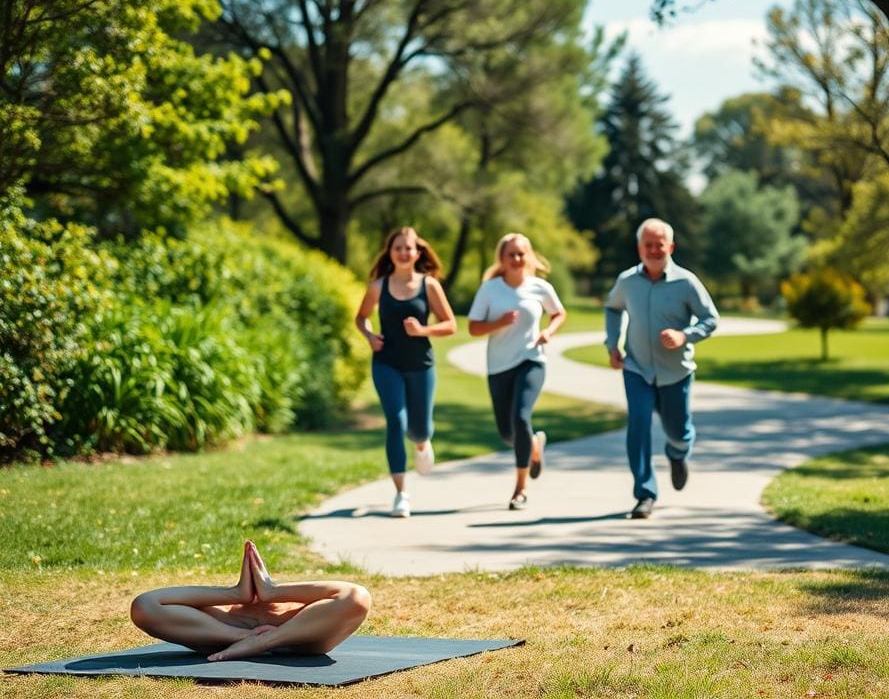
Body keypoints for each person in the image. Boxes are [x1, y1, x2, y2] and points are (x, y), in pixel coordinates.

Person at [604, 218, 718, 519]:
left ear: (671, 247)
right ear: (640, 248)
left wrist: (685, 335)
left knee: (678, 431)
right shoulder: (627, 281)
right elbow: (612, 307)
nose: (654, 250)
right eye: (648, 245)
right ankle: (645, 493)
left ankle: (678, 454)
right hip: (637, 369)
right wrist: (612, 343)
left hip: (675, 372)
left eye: (659, 245)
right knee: (638, 425)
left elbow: (710, 319)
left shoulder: (686, 282)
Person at [355, 227, 457, 518]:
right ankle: (401, 494)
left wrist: (423, 330)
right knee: (396, 423)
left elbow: (450, 324)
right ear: (390, 252)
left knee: (420, 428)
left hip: (420, 364)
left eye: (408, 248)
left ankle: (423, 443)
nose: (403, 252)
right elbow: (361, 317)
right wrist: (370, 336)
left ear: (418, 252)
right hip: (387, 364)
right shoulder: (378, 287)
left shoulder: (430, 286)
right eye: (397, 248)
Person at [130, 540, 371, 661]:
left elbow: (353, 596)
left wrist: (273, 591)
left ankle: (264, 641)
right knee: (141, 606)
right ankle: (249, 640)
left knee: (358, 597)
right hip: (227, 632)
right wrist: (233, 595)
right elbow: (148, 604)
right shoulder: (216, 613)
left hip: (294, 636)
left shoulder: (305, 613)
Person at [467, 233, 566, 510]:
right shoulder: (489, 290)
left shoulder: (539, 287)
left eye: (522, 254)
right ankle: (533, 445)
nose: (517, 259)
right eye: (511, 254)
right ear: (502, 258)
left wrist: (548, 331)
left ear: (529, 256)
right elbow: (473, 327)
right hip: (499, 366)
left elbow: (559, 313)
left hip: (531, 359)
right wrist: (498, 322)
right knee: (507, 433)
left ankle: (520, 489)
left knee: (521, 417)